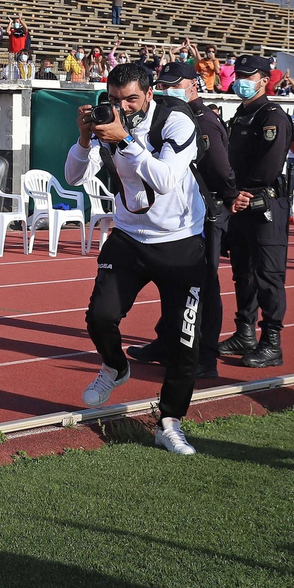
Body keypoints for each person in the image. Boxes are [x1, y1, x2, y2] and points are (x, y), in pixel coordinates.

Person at [66, 63, 206, 455]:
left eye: (130, 98)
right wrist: (82, 139)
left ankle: (169, 422)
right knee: (100, 316)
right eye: (114, 99)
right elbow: (73, 176)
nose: (122, 106)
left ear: (149, 93)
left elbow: (164, 179)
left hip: (180, 240)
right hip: (129, 235)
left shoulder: (176, 119)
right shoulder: (106, 119)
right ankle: (115, 365)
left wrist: (124, 139)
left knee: (183, 338)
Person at [126, 62, 236, 379]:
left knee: (203, 285)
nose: (166, 89)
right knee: (173, 281)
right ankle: (167, 341)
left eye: (173, 83)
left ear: (193, 85)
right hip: (179, 212)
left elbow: (217, 167)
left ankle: (206, 356)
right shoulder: (165, 118)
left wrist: (229, 197)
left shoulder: (201, 120)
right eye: (162, 84)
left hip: (205, 211)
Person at [217, 56, 294, 368]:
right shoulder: (242, 113)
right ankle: (244, 333)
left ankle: (271, 342)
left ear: (265, 80)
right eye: (239, 75)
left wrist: (240, 192)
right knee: (243, 273)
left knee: (268, 275)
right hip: (242, 205)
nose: (241, 81)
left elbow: (268, 167)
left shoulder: (271, 115)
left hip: (265, 206)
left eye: (249, 76)